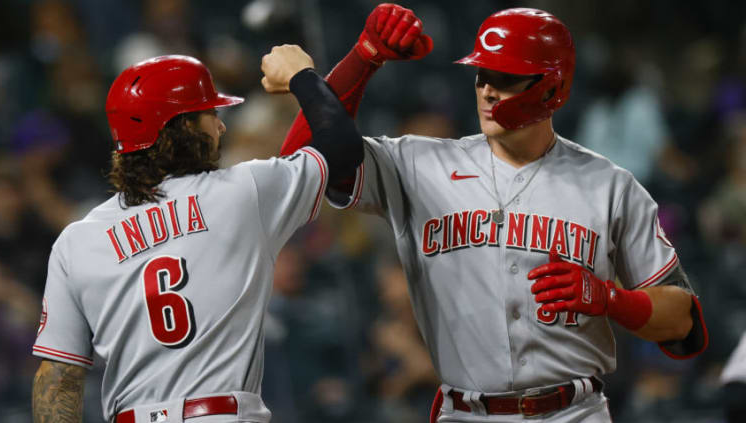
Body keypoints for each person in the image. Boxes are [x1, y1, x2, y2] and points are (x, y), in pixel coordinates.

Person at [280, 5, 709, 422]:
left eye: (505, 78)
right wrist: (364, 58)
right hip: (465, 412)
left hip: (574, 412)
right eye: (482, 74)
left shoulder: (609, 185)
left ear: (552, 87)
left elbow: (681, 320)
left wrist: (611, 298)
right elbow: (299, 164)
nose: (487, 89)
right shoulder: (416, 163)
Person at [31, 46, 364, 423]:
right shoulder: (242, 191)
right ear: (184, 126)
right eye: (210, 114)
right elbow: (343, 148)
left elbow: (59, 379)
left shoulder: (77, 239)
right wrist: (302, 76)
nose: (221, 125)